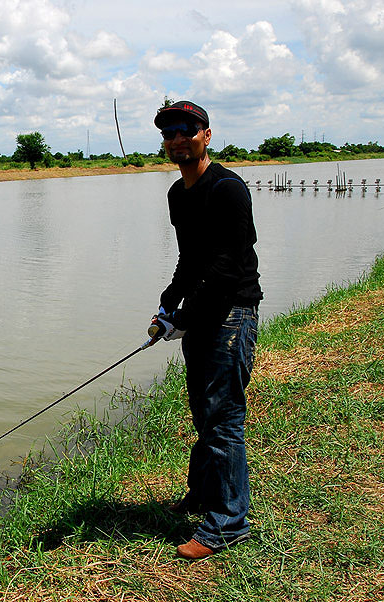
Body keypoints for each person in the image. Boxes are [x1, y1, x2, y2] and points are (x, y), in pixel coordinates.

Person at [150, 100, 263, 560]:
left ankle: (229, 522)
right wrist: (166, 304)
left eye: (187, 130)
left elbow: (227, 266)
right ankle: (202, 495)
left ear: (207, 135)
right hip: (201, 312)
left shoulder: (227, 189)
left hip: (232, 312)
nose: (178, 139)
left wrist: (186, 314)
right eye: (169, 133)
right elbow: (190, 260)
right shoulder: (178, 195)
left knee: (223, 420)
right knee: (204, 414)